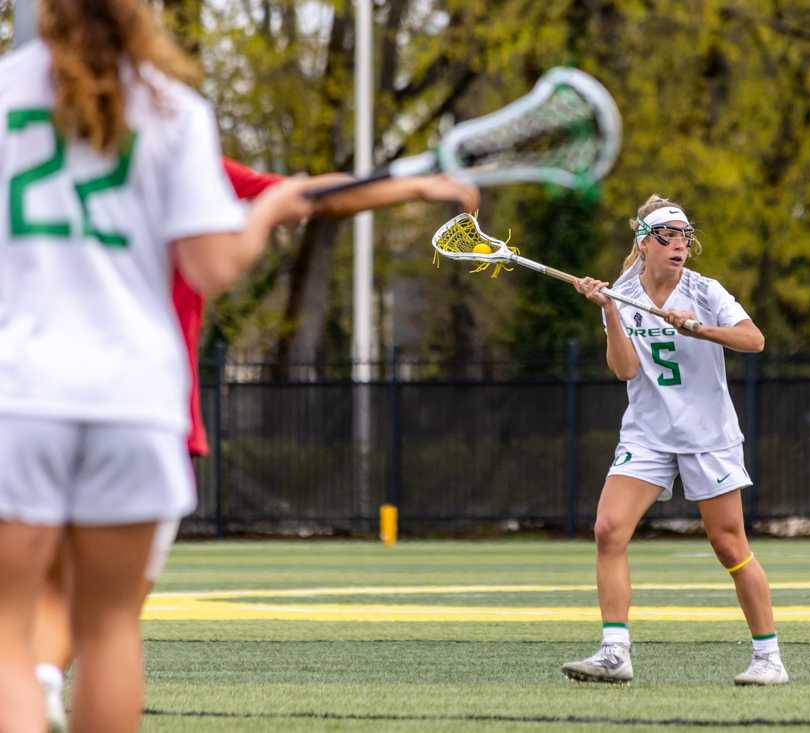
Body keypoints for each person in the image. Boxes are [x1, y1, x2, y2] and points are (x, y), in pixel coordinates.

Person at [30, 157, 480, 729]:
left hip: (37, 405)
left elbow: (306, 194)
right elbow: (261, 229)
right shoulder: (171, 135)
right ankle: (38, 690)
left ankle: (36, 686)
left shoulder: (23, 125)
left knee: (45, 605)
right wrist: (406, 188)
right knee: (110, 621)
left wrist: (409, 185)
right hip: (142, 407)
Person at [0, 1, 322, 730]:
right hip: (137, 399)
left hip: (20, 395)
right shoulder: (173, 108)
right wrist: (268, 212)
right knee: (110, 626)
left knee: (8, 637)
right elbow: (210, 263)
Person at [560, 195, 787, 686]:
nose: (680, 245)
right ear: (644, 242)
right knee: (607, 530)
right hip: (648, 434)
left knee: (729, 545)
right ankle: (614, 650)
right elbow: (624, 370)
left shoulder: (707, 291)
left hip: (709, 436)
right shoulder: (620, 293)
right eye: (668, 236)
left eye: (685, 235)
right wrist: (610, 313)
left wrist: (700, 328)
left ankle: (768, 658)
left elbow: (755, 340)